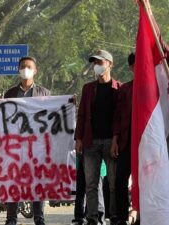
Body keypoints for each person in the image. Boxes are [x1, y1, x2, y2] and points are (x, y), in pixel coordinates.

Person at [75, 49, 121, 225]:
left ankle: (115, 216)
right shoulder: (88, 89)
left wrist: (116, 139)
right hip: (90, 141)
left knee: (113, 182)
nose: (97, 66)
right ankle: (93, 217)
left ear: (110, 64)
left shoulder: (119, 88)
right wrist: (78, 138)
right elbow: (81, 114)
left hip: (111, 141)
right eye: (95, 63)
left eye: (100, 63)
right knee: (91, 183)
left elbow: (120, 116)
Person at [3, 56, 49, 225]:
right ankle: (11, 219)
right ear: (18, 70)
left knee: (37, 181)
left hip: (36, 145)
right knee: (13, 180)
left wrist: (68, 102)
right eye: (22, 66)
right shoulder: (9, 94)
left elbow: (53, 115)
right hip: (14, 145)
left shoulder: (45, 93)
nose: (25, 69)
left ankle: (39, 218)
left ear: (35, 71)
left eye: (29, 67)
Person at [111, 53, 139, 225]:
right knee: (120, 179)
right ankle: (121, 217)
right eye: (138, 64)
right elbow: (117, 116)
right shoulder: (125, 89)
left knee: (145, 183)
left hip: (147, 144)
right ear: (131, 68)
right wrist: (115, 140)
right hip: (126, 142)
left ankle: (142, 216)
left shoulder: (157, 87)